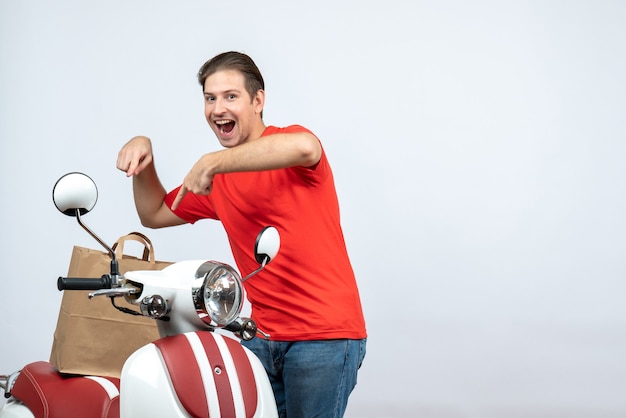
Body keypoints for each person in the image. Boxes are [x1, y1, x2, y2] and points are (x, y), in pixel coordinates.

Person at [116, 51, 367, 417]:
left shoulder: (289, 149)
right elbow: (153, 213)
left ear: (258, 100)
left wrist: (210, 162)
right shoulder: (217, 183)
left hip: (323, 338)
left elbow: (306, 146)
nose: (218, 108)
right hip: (259, 338)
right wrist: (144, 157)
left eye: (231, 96)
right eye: (210, 98)